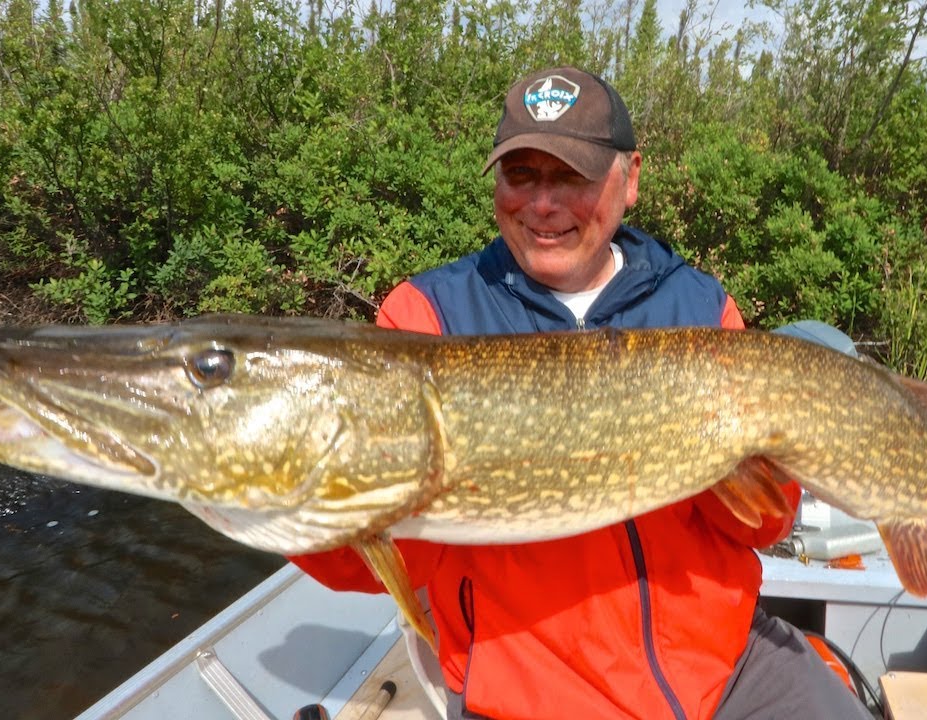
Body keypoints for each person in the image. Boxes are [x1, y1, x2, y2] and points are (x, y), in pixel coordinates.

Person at [289, 66, 871, 720]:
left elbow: (763, 524)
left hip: (722, 666)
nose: (543, 204)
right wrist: (283, 484)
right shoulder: (427, 317)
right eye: (522, 175)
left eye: (572, 176)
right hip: (533, 695)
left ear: (631, 179)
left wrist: (747, 453)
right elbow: (373, 563)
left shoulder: (701, 305)